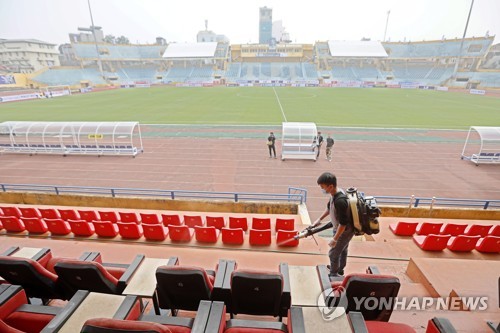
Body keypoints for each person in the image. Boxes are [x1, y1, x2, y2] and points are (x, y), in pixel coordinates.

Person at [311, 172, 354, 277]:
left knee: (333, 254)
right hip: (341, 228)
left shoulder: (340, 201)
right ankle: (339, 269)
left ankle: (333, 274)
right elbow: (329, 208)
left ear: (330, 186)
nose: (322, 190)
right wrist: (319, 219)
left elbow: (343, 224)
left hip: (344, 230)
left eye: (323, 187)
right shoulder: (335, 194)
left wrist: (335, 239)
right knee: (343, 250)